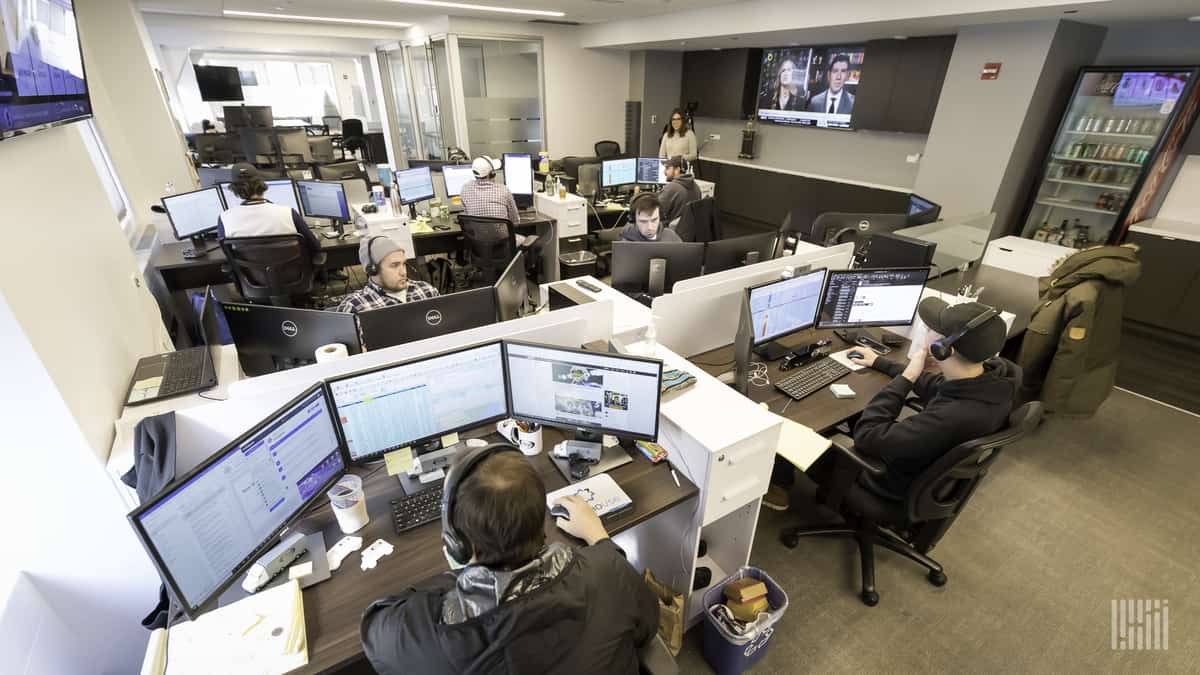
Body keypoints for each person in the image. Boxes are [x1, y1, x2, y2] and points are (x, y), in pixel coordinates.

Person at [361, 447, 660, 675]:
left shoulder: (429, 634)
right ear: (540, 520)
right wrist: (598, 536)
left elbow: (374, 625)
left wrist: (463, 575)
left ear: (459, 544)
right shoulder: (609, 571)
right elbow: (648, 626)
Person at [763, 298, 1019, 510]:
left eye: (931, 328)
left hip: (881, 480)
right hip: (921, 467)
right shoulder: (994, 380)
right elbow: (937, 387)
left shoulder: (953, 415)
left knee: (785, 424)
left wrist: (908, 376)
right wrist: (882, 363)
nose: (925, 329)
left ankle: (778, 489)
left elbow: (868, 436)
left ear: (943, 349)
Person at [216, 163, 319, 252]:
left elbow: (227, 253)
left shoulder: (225, 219)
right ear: (262, 184)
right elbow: (315, 245)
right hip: (293, 273)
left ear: (234, 190)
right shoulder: (288, 213)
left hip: (251, 274)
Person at [333, 236, 438, 313]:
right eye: (394, 265)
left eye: (404, 264)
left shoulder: (426, 290)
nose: (403, 272)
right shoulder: (354, 307)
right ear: (373, 270)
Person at [460, 155, 521, 225]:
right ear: (492, 174)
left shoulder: (465, 189)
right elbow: (515, 221)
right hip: (503, 236)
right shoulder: (504, 190)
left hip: (478, 235)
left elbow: (468, 217)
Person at [657, 155, 701, 227]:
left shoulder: (672, 188)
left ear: (677, 169)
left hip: (668, 233)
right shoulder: (696, 187)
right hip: (686, 233)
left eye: (667, 168)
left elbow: (655, 212)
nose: (664, 172)